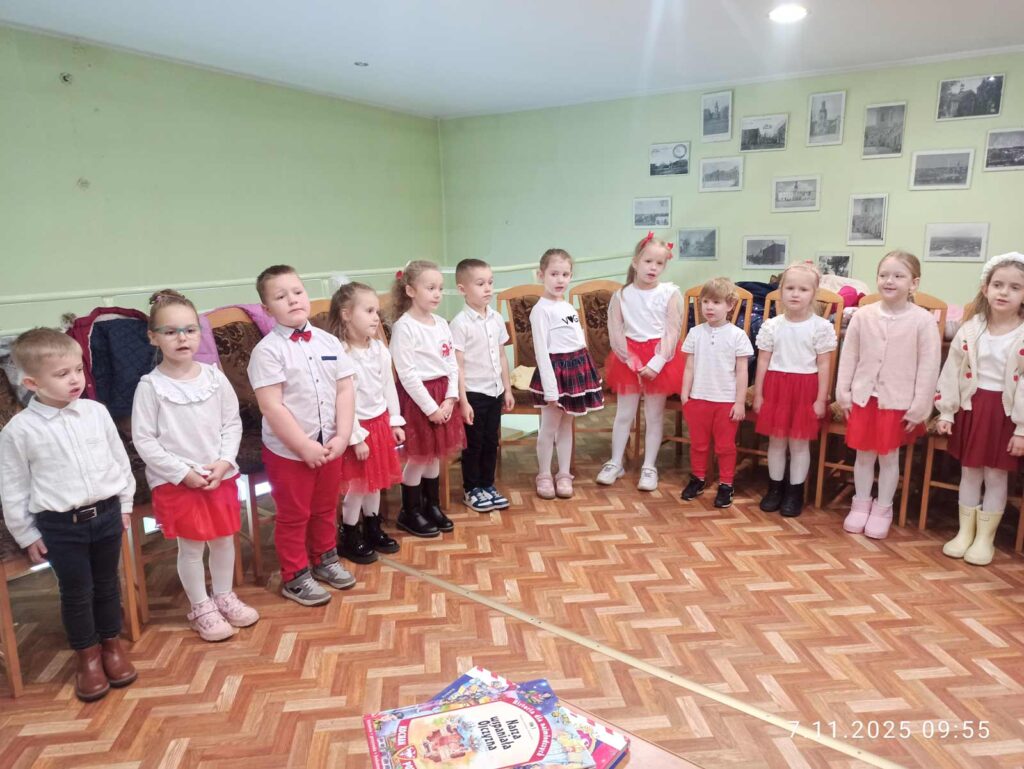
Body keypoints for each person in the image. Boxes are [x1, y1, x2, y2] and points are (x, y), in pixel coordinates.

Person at [0, 328, 137, 701]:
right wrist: (27, 534)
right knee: (77, 592)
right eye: (62, 374)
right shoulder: (19, 431)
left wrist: (125, 503)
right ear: (31, 382)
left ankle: (111, 645)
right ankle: (87, 656)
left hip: (107, 514)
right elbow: (13, 487)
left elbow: (119, 460)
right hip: (62, 526)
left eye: (77, 369)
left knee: (108, 583)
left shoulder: (96, 412)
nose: (75, 379)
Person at [133, 290, 259, 641]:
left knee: (222, 540)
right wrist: (182, 473)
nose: (181, 338)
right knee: (191, 546)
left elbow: (232, 423)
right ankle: (200, 605)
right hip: (178, 481)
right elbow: (144, 440)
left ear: (199, 334)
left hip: (219, 475)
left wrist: (223, 462)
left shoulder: (215, 377)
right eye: (171, 331)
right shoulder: (150, 387)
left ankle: (224, 596)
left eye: (189, 330)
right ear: (153, 337)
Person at [247, 265, 357, 605]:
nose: (292, 300)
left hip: (329, 445)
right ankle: (294, 575)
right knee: (294, 514)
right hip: (289, 451)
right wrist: (303, 445)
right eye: (281, 296)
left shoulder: (329, 341)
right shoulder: (267, 352)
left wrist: (343, 435)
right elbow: (272, 407)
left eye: (297, 292)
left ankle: (325, 558)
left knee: (325, 507)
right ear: (267, 309)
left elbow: (344, 391)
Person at [835, 252, 940, 539]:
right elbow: (849, 356)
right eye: (884, 275)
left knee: (889, 456)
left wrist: (921, 405)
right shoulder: (863, 316)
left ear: (913, 283)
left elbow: (929, 366)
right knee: (863, 455)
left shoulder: (923, 321)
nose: (889, 281)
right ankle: (860, 503)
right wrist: (842, 392)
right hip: (864, 398)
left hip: (898, 401)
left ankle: (883, 507)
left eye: (898, 276)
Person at [936, 252, 1024, 566]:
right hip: (972, 408)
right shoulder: (971, 329)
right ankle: (965, 533)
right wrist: (946, 411)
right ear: (985, 288)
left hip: (1005, 415)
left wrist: (1022, 429)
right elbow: (952, 370)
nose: (1004, 292)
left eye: (1015, 287)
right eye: (998, 284)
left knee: (996, 476)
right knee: (970, 472)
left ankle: (985, 539)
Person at [599, 233, 684, 492]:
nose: (653, 268)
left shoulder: (670, 293)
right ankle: (615, 462)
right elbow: (615, 332)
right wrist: (630, 360)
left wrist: (657, 362)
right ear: (636, 262)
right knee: (624, 414)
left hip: (661, 358)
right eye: (648, 261)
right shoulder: (621, 295)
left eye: (659, 264)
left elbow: (673, 331)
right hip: (628, 358)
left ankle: (649, 466)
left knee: (654, 416)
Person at [753, 262, 837, 517]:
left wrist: (821, 398)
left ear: (814, 293)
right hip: (776, 387)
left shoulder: (820, 327)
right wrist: (758, 393)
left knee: (799, 444)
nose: (795, 294)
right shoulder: (772, 325)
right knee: (777, 441)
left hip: (805, 389)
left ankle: (795, 491)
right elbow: (764, 360)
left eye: (803, 289)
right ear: (780, 290)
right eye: (789, 287)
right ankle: (775, 488)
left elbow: (824, 364)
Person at [328, 282, 403, 562]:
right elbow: (341, 400)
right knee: (358, 486)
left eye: (377, 311)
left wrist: (395, 421)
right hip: (356, 429)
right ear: (346, 314)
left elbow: (388, 386)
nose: (376, 317)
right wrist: (356, 437)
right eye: (369, 310)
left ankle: (373, 526)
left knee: (376, 483)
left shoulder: (379, 350)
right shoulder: (340, 353)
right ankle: (350, 533)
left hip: (380, 423)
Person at [389, 260, 465, 536]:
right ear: (410, 290)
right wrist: (432, 407)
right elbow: (407, 374)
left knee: (435, 456)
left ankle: (430, 505)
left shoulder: (442, 323)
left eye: (440, 289)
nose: (437, 294)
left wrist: (451, 397)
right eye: (430, 288)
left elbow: (452, 364)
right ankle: (410, 511)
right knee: (419, 457)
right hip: (419, 400)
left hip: (443, 395)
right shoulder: (404, 327)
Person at [529, 248, 604, 499]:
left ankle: (563, 473)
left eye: (565, 274)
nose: (560, 280)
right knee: (549, 427)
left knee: (566, 425)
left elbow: (577, 339)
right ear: (541, 275)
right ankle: (543, 474)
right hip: (555, 372)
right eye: (554, 274)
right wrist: (551, 389)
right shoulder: (541, 310)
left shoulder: (567, 306)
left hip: (575, 370)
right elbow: (541, 351)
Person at [679, 278, 754, 508]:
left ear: (730, 305)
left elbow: (743, 371)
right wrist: (685, 394)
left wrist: (739, 402)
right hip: (699, 398)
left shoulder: (737, 335)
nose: (709, 307)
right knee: (699, 444)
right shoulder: (695, 332)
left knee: (725, 446)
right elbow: (689, 366)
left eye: (716, 302)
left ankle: (726, 484)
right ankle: (698, 478)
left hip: (726, 401)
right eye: (705, 302)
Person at [450, 259, 515, 513]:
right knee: (474, 443)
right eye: (480, 284)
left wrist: (507, 389)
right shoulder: (460, 324)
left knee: (491, 441)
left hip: (495, 391)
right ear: (462, 288)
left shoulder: (497, 319)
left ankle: (488, 485)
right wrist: (463, 401)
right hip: (474, 394)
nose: (487, 288)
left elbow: (501, 356)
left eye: (490, 283)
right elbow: (458, 366)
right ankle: (471, 489)